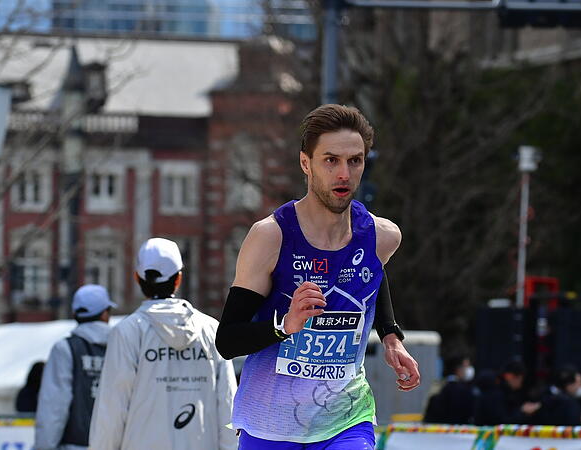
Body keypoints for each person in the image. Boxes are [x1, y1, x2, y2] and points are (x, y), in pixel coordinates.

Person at [215, 104, 420, 449]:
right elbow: (227, 341)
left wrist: (390, 334)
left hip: (345, 417)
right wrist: (284, 325)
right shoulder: (270, 237)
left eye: (355, 161)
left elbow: (373, 274)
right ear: (305, 163)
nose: (344, 173)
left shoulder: (383, 237)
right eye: (330, 160)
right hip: (271, 421)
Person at [89, 238, 237, 450]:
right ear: (178, 279)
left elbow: (111, 408)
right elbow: (228, 402)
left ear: (137, 278)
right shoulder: (210, 329)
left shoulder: (128, 331)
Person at [35, 284, 116, 450]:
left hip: (75, 443)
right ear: (104, 313)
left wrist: (44, 446)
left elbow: (54, 406)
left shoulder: (66, 348)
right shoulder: (123, 347)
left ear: (75, 314)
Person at [474, 361, 540, 425]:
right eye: (520, 379)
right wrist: (522, 411)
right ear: (510, 377)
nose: (521, 384)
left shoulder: (504, 392)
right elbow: (502, 422)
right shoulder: (496, 394)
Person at [423, 354, 475, 424]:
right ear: (458, 369)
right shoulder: (463, 390)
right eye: (466, 366)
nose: (469, 369)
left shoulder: (437, 387)